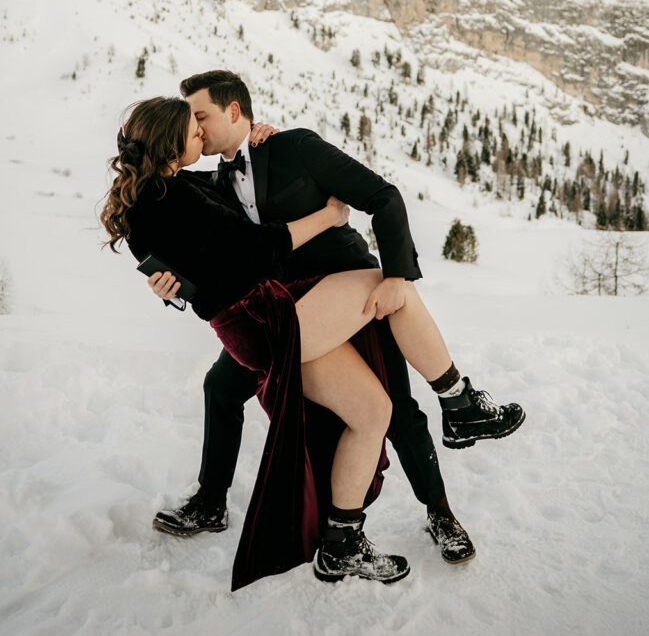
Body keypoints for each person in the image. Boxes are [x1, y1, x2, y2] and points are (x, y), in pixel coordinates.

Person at [101, 94, 525, 591]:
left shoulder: (155, 194)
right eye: (191, 129)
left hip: (259, 321)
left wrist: (171, 287)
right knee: (390, 286)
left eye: (202, 120)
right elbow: (260, 249)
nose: (200, 132)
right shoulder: (172, 196)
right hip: (266, 319)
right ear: (171, 143)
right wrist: (330, 216)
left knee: (374, 412)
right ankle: (459, 400)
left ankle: (341, 543)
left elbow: (192, 263)